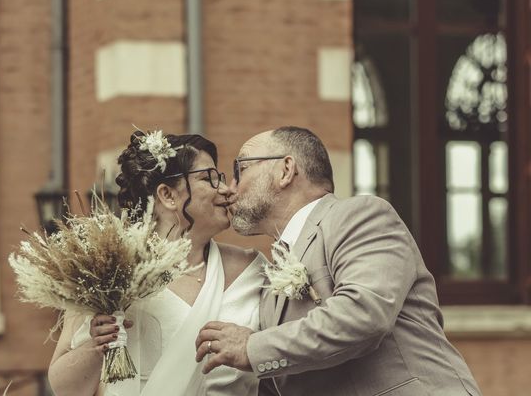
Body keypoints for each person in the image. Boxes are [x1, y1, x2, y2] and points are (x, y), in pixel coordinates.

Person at [195, 126, 482, 396]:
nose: (230, 188)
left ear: (285, 170)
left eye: (240, 170)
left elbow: (362, 314)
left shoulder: (359, 216)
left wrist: (251, 347)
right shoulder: (271, 277)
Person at [48, 131, 267, 396]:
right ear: (168, 195)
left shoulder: (253, 269)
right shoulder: (109, 271)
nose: (224, 188)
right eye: (208, 178)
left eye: (219, 177)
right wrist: (97, 345)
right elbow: (65, 389)